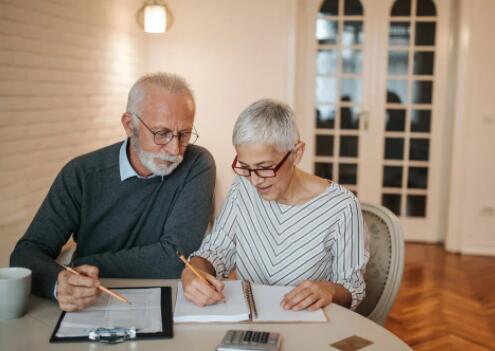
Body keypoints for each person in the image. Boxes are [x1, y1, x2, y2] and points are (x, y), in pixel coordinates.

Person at [10, 72, 216, 312]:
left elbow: (175, 258)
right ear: (130, 125)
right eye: (162, 133)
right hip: (93, 304)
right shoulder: (81, 174)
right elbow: (25, 255)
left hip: (171, 303)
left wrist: (81, 264)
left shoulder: (197, 163)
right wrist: (60, 283)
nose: (175, 149)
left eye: (184, 134)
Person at [181, 99, 368, 311]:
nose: (255, 180)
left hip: (306, 324)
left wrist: (329, 290)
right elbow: (216, 250)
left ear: (296, 153)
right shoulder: (243, 187)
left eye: (264, 167)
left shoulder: (342, 207)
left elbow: (353, 287)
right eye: (245, 167)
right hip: (248, 320)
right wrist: (193, 270)